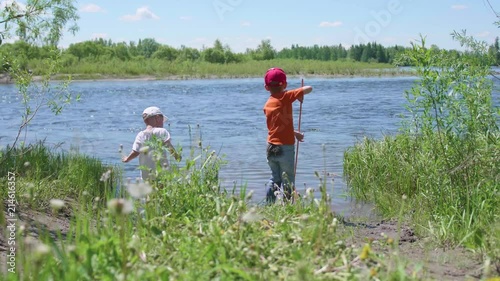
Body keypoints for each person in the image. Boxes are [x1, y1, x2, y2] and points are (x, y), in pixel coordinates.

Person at [263, 67, 313, 203]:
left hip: (270, 146)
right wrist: (298, 94)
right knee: (288, 179)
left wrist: (295, 133)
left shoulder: (267, 105)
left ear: (266, 87)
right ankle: (288, 206)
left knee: (275, 178)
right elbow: (309, 88)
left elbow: (277, 128)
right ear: (284, 85)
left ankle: (269, 204)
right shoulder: (286, 96)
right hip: (285, 148)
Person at [122, 106, 181, 182]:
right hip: (161, 172)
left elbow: (135, 152)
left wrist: (127, 159)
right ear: (157, 118)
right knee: (162, 191)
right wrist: (177, 156)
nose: (163, 122)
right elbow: (168, 146)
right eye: (162, 119)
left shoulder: (140, 134)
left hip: (146, 174)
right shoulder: (161, 131)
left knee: (150, 192)